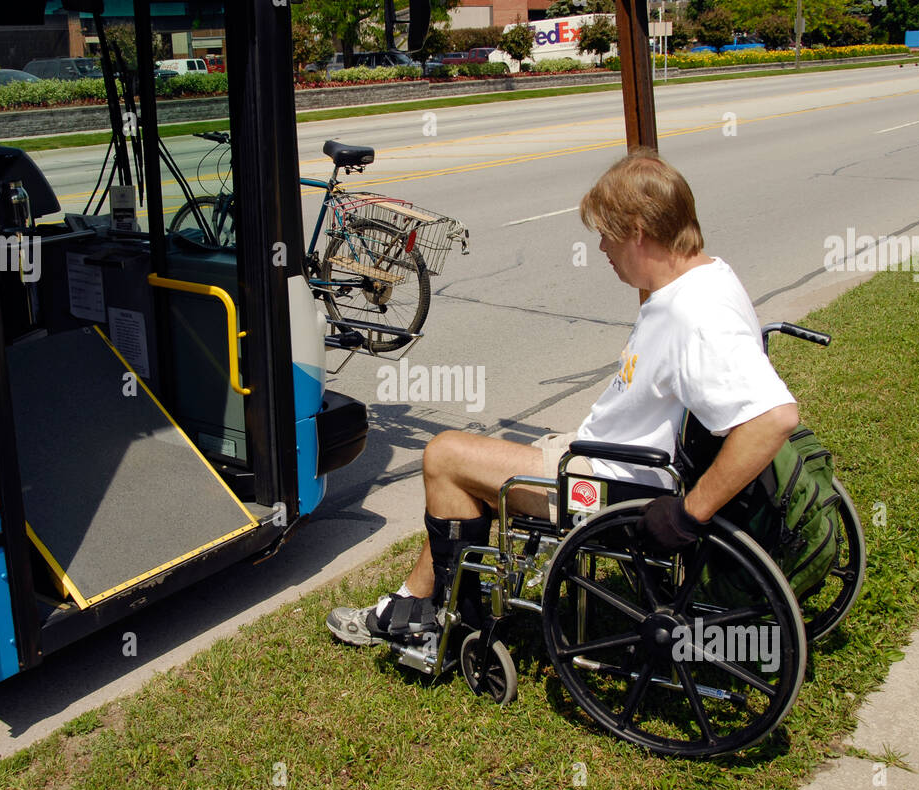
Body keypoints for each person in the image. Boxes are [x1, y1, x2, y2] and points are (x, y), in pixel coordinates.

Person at [327, 148, 800, 646]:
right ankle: (418, 602)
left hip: (611, 484)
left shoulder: (695, 314)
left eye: (606, 234)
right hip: (612, 462)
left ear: (638, 230)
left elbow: (773, 419)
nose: (601, 248)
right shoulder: (707, 277)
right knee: (470, 469)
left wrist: (688, 516)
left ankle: (437, 615)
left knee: (445, 455)